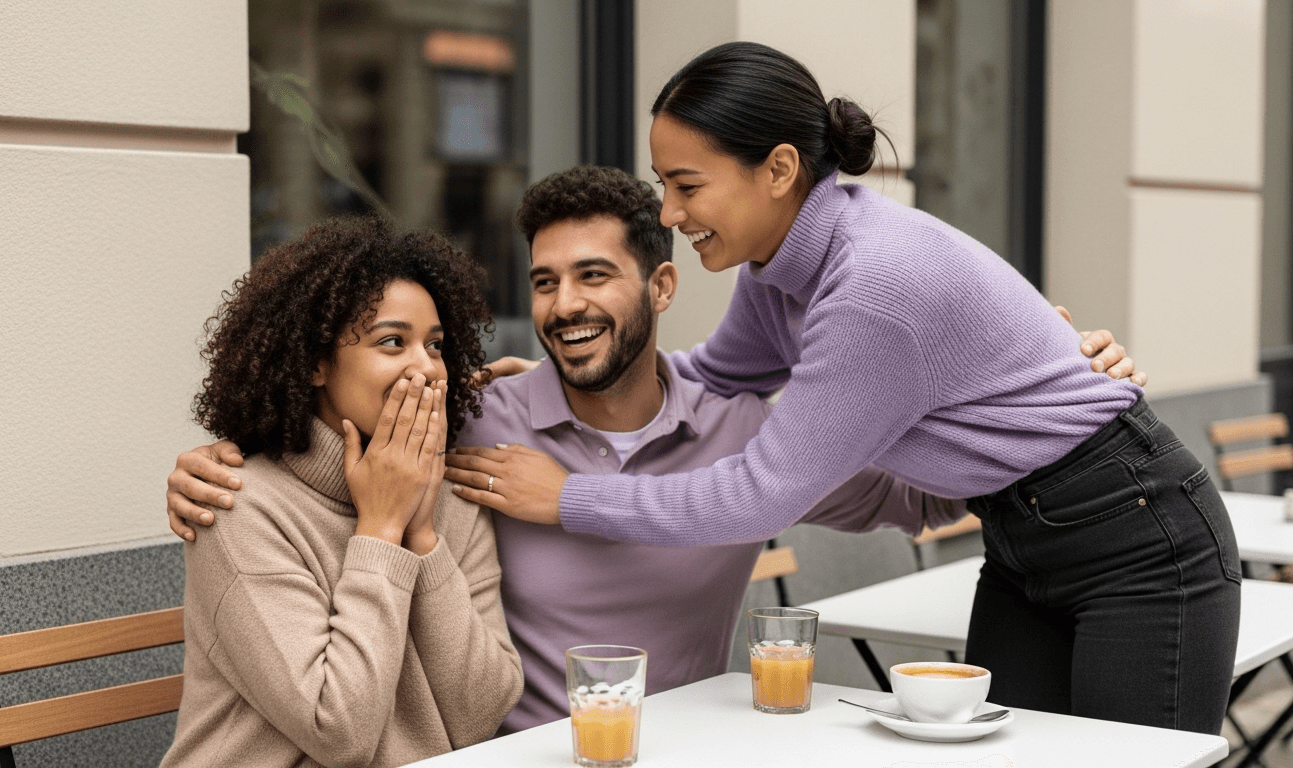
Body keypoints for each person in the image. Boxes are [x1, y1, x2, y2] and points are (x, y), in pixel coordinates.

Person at [165, 166, 1141, 733]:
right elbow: (327, 444)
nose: (564, 305)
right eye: (543, 283)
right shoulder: (470, 423)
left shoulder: (750, 431)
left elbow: (932, 499)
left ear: (662, 290)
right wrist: (214, 463)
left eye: (594, 274)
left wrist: (1039, 385)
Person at [444, 43, 1241, 736]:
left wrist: (569, 497)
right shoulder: (779, 267)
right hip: (1019, 530)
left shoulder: (868, 288)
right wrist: (566, 373)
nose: (670, 210)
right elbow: (713, 376)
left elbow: (759, 497)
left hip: (1135, 538)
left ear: (780, 170)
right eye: (663, 184)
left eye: (687, 184)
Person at [160, 216, 521, 768]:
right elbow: (338, 732)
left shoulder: (452, 498)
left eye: (437, 345)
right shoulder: (237, 507)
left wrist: (421, 536)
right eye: (392, 342)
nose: (426, 368)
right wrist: (380, 529)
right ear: (314, 364)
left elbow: (481, 715)